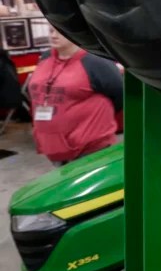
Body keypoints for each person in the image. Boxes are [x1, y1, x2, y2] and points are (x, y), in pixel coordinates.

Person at [27, 25, 123, 166]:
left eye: (60, 31)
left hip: (90, 148)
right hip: (54, 147)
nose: (53, 35)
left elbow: (119, 94)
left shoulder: (96, 62)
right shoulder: (46, 57)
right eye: (51, 31)